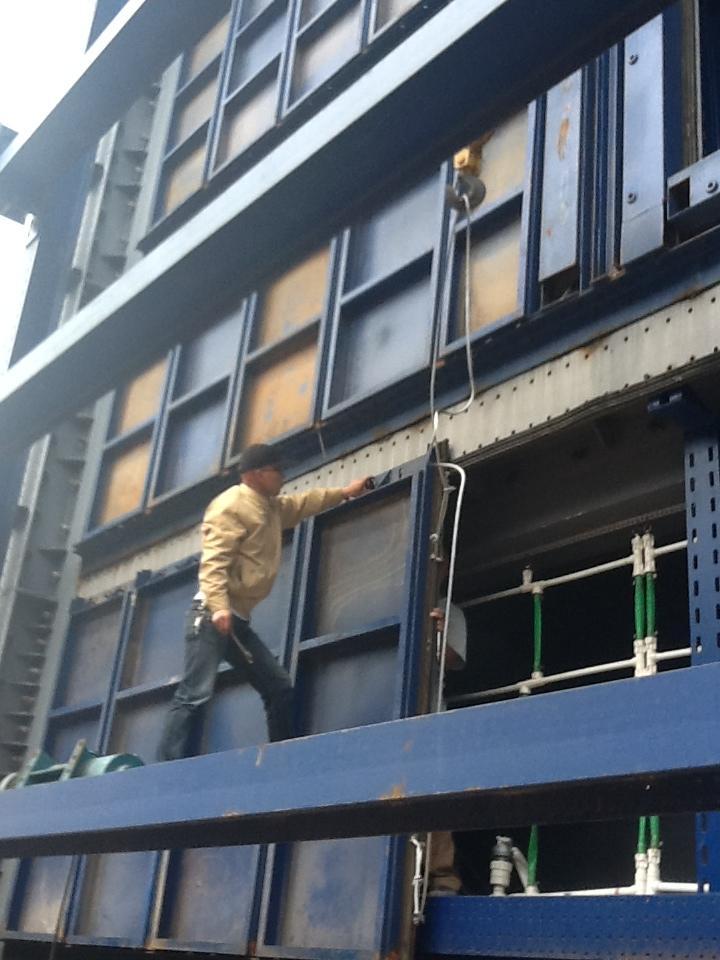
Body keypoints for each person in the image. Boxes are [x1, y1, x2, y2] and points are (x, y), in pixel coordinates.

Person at [157, 443, 370, 762]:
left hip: (237, 621)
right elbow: (213, 562)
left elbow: (303, 504)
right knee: (194, 693)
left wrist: (345, 493)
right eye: (277, 470)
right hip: (211, 615)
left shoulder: (270, 508)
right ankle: (165, 767)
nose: (283, 475)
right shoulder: (231, 505)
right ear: (256, 475)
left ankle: (281, 760)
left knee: (278, 687)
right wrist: (219, 607)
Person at [427, 558, 468, 894]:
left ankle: (441, 876)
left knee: (436, 794)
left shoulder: (449, 610)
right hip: (394, 720)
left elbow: (453, 660)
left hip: (432, 717)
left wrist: (436, 634)